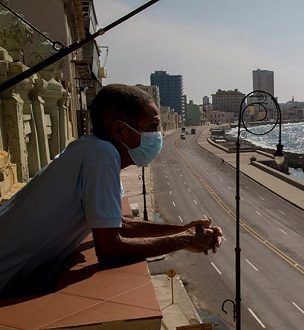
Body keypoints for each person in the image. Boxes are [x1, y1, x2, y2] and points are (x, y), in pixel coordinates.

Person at [0, 84, 222, 296]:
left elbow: (118, 224)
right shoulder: (101, 155)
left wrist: (183, 229)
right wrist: (186, 239)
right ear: (120, 131)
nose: (158, 135)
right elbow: (110, 249)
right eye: (152, 127)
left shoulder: (91, 150)